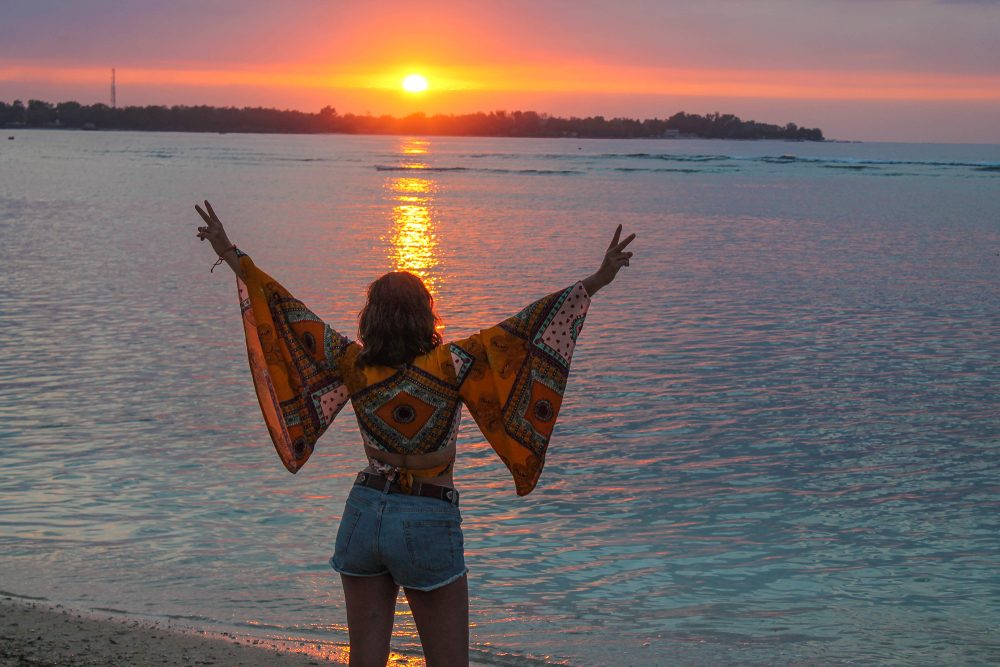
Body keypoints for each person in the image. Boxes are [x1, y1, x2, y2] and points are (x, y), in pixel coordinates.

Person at [195, 200, 635, 667]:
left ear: (371, 318)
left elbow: (283, 308)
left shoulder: (352, 363)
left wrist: (230, 251)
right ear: (425, 316)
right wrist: (597, 281)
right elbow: (529, 328)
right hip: (426, 516)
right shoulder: (452, 365)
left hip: (363, 513)